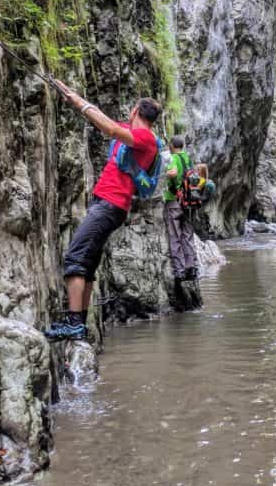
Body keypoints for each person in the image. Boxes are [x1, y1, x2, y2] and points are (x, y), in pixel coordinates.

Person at [45, 81, 162, 341]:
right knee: (86, 264)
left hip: (110, 205)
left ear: (135, 111)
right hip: (109, 205)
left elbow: (108, 127)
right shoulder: (133, 135)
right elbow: (103, 118)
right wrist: (73, 97)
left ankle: (74, 323)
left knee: (74, 259)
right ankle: (79, 324)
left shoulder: (145, 138)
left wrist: (78, 103)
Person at [163, 136, 199, 282]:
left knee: (175, 236)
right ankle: (192, 267)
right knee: (187, 235)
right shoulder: (188, 158)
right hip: (189, 203)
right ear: (183, 145)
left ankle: (180, 271)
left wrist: (161, 175)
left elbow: (173, 173)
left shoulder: (173, 158)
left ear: (171, 145)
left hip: (174, 201)